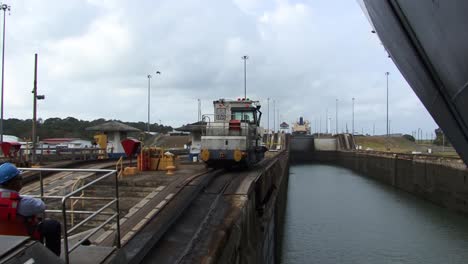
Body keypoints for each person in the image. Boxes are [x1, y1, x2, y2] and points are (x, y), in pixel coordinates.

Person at [0, 163, 61, 256]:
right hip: (23, 240)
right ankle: (52, 258)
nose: (21, 181)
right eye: (20, 178)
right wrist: (20, 197)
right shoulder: (24, 202)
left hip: (3, 242)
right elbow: (42, 206)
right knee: (52, 225)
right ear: (12, 183)